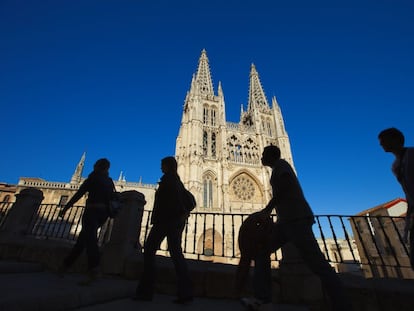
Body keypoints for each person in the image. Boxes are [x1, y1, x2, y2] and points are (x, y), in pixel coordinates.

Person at [239, 145, 352, 311]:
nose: (260, 157)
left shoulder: (282, 166)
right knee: (262, 252)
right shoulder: (277, 168)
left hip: (297, 220)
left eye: (263, 154)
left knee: (318, 264)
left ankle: (342, 304)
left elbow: (285, 186)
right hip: (286, 222)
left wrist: (268, 209)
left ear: (271, 156)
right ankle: (263, 299)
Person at [134, 156, 193, 304]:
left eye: (162, 165)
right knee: (177, 256)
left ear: (167, 166)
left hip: (165, 222)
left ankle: (146, 291)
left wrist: (174, 215)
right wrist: (183, 215)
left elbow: (167, 202)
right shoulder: (178, 181)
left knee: (148, 251)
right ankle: (186, 293)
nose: (161, 168)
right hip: (174, 222)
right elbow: (191, 201)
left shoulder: (169, 180)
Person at [58, 158, 115, 285]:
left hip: (92, 212)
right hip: (103, 215)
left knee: (90, 241)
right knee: (82, 241)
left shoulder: (93, 178)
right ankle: (65, 266)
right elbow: (111, 198)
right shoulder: (109, 181)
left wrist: (65, 208)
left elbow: (79, 193)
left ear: (97, 166)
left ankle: (94, 270)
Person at [378, 127, 414, 269]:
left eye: (383, 141)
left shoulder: (412, 155)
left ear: (396, 139)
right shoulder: (395, 166)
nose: (381, 144)